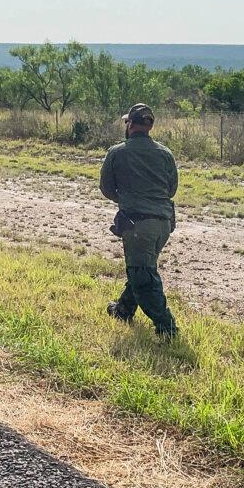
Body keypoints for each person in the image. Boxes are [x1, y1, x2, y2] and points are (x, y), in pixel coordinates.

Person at [99, 103, 179, 338]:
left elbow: (106, 188)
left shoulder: (117, 152)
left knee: (143, 277)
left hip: (137, 225)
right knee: (142, 268)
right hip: (164, 224)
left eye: (127, 122)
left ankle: (167, 328)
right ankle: (123, 310)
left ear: (130, 124)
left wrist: (127, 198)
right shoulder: (165, 153)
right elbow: (171, 190)